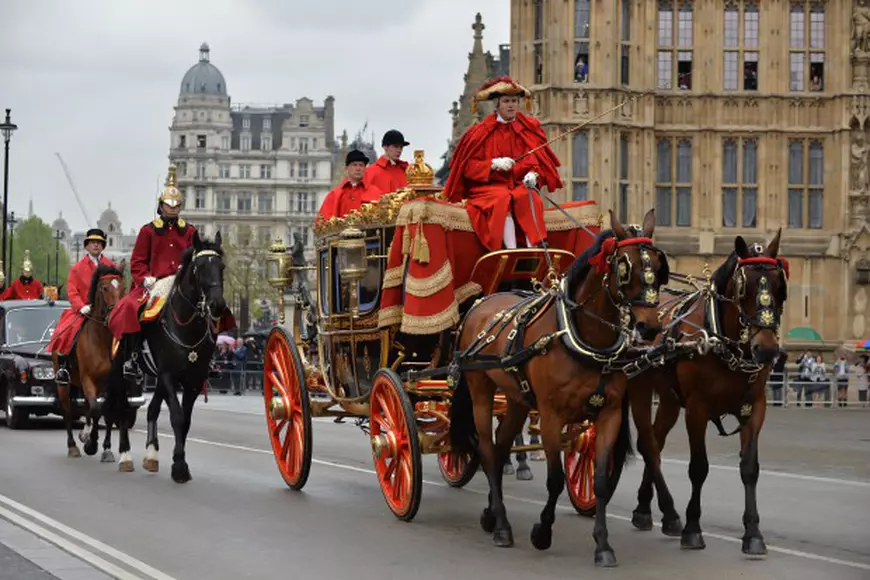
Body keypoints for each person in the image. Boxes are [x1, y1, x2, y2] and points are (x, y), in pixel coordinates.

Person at [108, 164, 235, 381]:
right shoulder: (147, 231)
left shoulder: (190, 231)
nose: (173, 209)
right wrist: (144, 278)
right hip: (153, 282)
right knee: (130, 308)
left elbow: (197, 259)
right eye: (169, 205)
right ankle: (133, 357)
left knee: (211, 307)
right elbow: (137, 261)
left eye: (176, 206)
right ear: (161, 206)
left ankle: (208, 356)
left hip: (181, 282)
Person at [443, 75, 563, 252]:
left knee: (529, 196)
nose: (511, 105)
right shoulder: (480, 132)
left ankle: (534, 247)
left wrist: (533, 174)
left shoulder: (528, 127)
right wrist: (492, 164)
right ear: (497, 104)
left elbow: (535, 160)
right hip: (489, 188)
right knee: (502, 198)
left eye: (514, 101)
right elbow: (468, 168)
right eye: (506, 101)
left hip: (517, 185)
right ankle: (510, 250)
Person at [49, 228, 117, 385]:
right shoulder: (77, 268)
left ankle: (130, 365)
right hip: (84, 311)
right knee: (65, 331)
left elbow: (117, 289)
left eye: (99, 243)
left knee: (125, 332)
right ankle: (64, 367)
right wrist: (81, 307)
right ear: (87, 246)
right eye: (93, 243)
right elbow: (72, 291)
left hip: (106, 312)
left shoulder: (110, 266)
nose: (96, 246)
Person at [318, 150, 384, 220]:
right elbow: (323, 221)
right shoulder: (335, 194)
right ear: (346, 168)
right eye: (354, 165)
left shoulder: (376, 193)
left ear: (365, 169)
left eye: (361, 165)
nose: (358, 168)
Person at [364, 130, 410, 194]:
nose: (399, 150)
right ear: (385, 147)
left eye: (401, 147)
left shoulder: (407, 171)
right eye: (396, 146)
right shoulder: (369, 172)